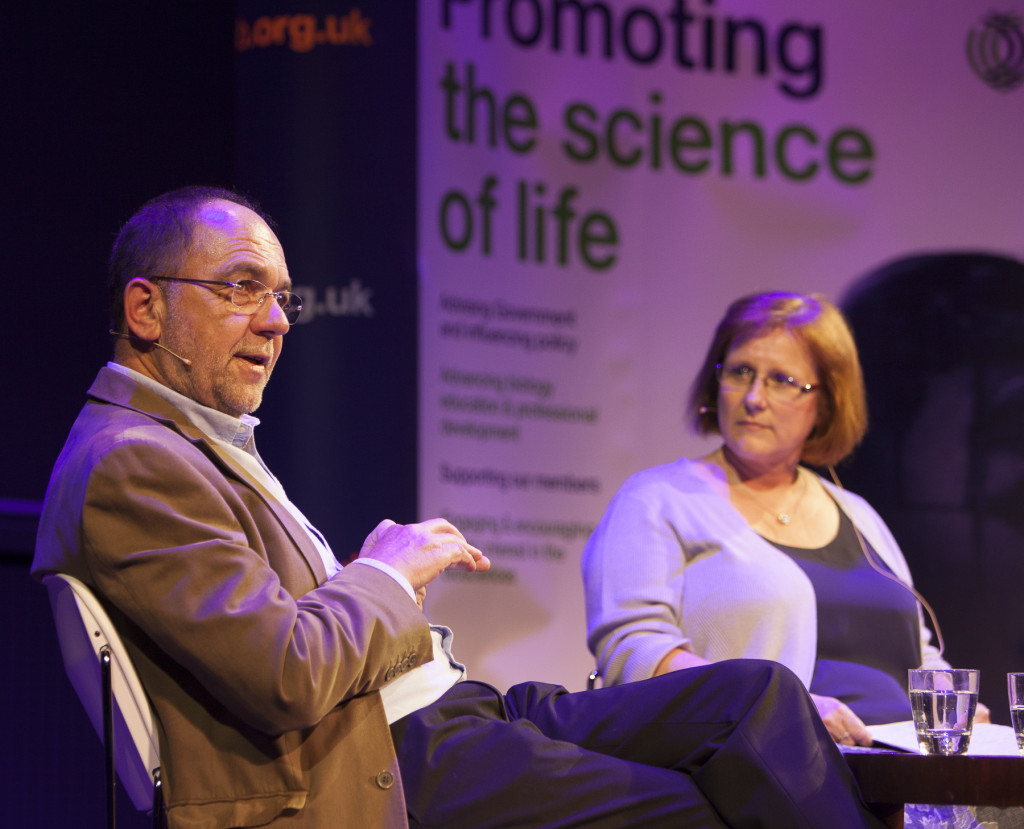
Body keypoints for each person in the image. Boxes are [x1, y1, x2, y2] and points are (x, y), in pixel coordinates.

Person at [33, 188, 887, 829]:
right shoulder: (132, 464)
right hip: (395, 755)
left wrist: (380, 586)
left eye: (283, 297)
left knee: (759, 697)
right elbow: (285, 674)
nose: (276, 320)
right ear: (146, 307)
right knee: (709, 803)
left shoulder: (185, 446)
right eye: (242, 288)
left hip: (450, 707)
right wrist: (385, 571)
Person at [582, 291, 989, 750]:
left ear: (826, 404)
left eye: (781, 380)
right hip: (769, 771)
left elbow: (921, 652)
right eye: (739, 372)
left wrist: (952, 702)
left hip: (906, 776)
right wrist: (779, 704)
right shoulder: (657, 499)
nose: (754, 398)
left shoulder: (858, 515)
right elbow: (633, 651)